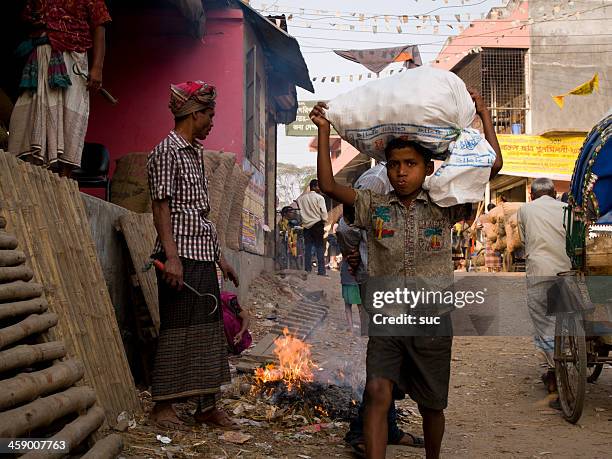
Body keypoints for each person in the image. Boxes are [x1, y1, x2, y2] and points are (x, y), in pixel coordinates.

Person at [310, 90, 502, 459]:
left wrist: (484, 115)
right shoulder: (374, 206)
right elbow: (331, 186)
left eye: (410, 164)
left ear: (428, 168)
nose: (401, 172)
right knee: (378, 393)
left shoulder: (445, 205)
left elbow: (492, 166)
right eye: (395, 164)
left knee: (432, 405)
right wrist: (322, 131)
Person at [147, 80, 240, 430]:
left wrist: (221, 259)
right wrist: (171, 258)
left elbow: (201, 215)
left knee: (206, 330)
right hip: (180, 256)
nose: (213, 121)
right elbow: (161, 207)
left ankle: (206, 407)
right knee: (177, 330)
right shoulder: (166, 152)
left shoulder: (194, 152)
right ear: (194, 113)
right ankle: (163, 406)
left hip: (201, 253)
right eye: (210, 114)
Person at [337, 166, 425, 457]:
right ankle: (362, 431)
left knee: (396, 354)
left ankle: (387, 428)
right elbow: (347, 227)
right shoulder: (377, 180)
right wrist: (356, 255)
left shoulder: (417, 181)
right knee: (388, 354)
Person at [9, 0, 111, 177]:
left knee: (69, 116)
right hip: (41, 56)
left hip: (72, 59)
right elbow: (28, 18)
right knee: (27, 117)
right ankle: (34, 174)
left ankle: (64, 178)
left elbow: (99, 26)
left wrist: (97, 67)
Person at [517, 178, 571, 408]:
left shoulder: (525, 209)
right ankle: (565, 364)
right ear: (554, 194)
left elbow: (522, 240)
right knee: (566, 322)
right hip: (567, 272)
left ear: (532, 195)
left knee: (543, 324)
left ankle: (554, 374)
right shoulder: (566, 209)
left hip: (539, 271)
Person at [296, 179, 328, 276]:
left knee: (308, 247)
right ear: (314, 186)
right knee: (319, 247)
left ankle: (307, 269)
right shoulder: (320, 198)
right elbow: (323, 212)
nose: (320, 188)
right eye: (318, 186)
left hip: (306, 226)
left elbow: (298, 213)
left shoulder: (301, 199)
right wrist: (324, 220)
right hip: (317, 224)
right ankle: (321, 271)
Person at [483, 203, 502, 272]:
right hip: (496, 239)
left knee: (490, 260)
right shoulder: (497, 216)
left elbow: (480, 227)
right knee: (496, 258)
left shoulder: (485, 217)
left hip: (489, 240)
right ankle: (495, 271)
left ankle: (490, 271)